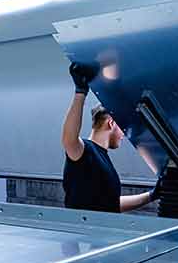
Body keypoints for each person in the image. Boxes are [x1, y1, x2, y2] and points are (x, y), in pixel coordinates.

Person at [61, 63, 158, 213]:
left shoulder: (102, 157)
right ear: (111, 123)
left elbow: (111, 204)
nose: (124, 134)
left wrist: (152, 195)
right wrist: (80, 93)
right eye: (123, 127)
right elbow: (69, 139)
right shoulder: (86, 151)